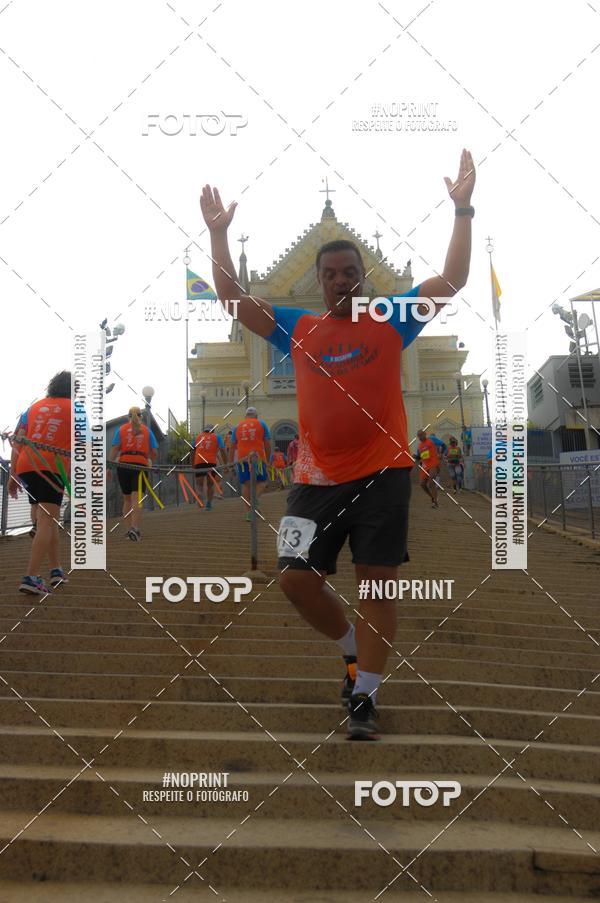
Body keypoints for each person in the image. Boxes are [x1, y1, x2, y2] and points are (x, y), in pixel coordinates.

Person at [200, 149, 474, 740]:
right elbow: (232, 300)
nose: (341, 279)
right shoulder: (299, 327)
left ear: (363, 276)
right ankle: (353, 651)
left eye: (350, 271)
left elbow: (452, 280)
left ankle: (366, 696)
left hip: (384, 474)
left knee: (376, 584)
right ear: (319, 281)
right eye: (330, 273)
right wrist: (218, 237)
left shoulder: (393, 316)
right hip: (314, 478)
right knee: (296, 578)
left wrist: (463, 210)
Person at [9, 371, 72, 594]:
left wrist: (12, 474)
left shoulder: (32, 408)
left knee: (48, 518)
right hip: (52, 467)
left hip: (27, 465)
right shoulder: (76, 410)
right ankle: (31, 577)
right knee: (47, 519)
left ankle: (55, 570)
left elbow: (17, 439)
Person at [109, 407, 158, 541]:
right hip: (140, 466)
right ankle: (135, 528)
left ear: (128, 417)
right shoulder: (147, 431)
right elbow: (154, 452)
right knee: (137, 499)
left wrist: (108, 468)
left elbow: (114, 449)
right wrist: (150, 460)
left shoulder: (121, 430)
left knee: (127, 499)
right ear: (140, 417)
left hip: (123, 465)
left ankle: (128, 529)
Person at [229, 407, 271, 521]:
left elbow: (232, 447)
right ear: (256, 416)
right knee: (262, 482)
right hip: (258, 458)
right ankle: (255, 499)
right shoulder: (261, 424)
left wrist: (230, 463)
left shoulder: (237, 427)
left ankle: (249, 513)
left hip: (242, 460)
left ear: (245, 416)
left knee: (246, 485)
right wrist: (268, 460)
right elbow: (267, 443)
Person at [193, 424, 225, 509]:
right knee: (210, 484)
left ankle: (199, 496)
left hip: (199, 462)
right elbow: (222, 449)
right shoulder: (217, 437)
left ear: (204, 430)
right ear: (213, 430)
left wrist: (192, 463)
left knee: (199, 484)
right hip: (211, 462)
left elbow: (192, 451)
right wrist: (226, 463)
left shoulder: (198, 437)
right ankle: (209, 503)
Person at [416, 429, 441, 509]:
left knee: (431, 482)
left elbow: (443, 445)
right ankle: (433, 497)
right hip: (425, 466)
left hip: (433, 464)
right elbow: (420, 456)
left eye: (421, 435)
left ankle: (435, 503)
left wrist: (441, 453)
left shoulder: (431, 441)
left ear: (425, 434)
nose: (420, 437)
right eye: (418, 436)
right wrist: (416, 457)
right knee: (422, 484)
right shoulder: (419, 446)